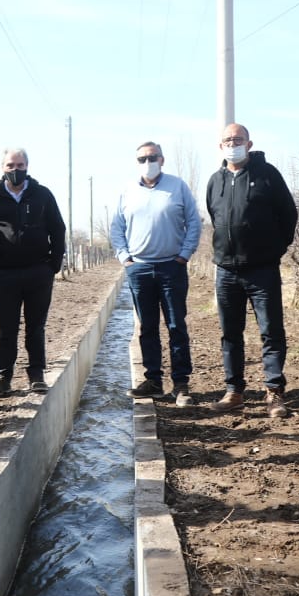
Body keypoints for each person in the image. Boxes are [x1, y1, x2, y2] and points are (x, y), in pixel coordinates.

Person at [205, 123, 298, 418]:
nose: (233, 144)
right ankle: (234, 391)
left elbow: (288, 215)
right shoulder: (215, 180)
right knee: (230, 333)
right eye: (228, 140)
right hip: (226, 271)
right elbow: (214, 214)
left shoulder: (267, 175)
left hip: (262, 270)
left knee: (270, 331)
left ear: (249, 143)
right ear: (221, 146)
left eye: (238, 139)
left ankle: (274, 392)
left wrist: (274, 251)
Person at [111, 141, 202, 407]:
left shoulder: (177, 187)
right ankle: (152, 380)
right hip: (139, 269)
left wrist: (184, 254)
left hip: (171, 267)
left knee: (176, 325)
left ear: (162, 160)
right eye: (142, 159)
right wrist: (125, 259)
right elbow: (117, 228)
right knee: (147, 327)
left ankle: (181, 384)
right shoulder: (127, 191)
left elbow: (194, 222)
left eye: (152, 157)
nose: (147, 163)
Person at [0, 147, 66, 397]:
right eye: (10, 165)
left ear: (27, 166)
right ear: (3, 168)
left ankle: (37, 374)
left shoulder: (42, 194)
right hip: (3, 275)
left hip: (38, 272)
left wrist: (53, 265)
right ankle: (2, 377)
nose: (15, 170)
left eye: (19, 165)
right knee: (6, 329)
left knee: (35, 326)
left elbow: (58, 229)